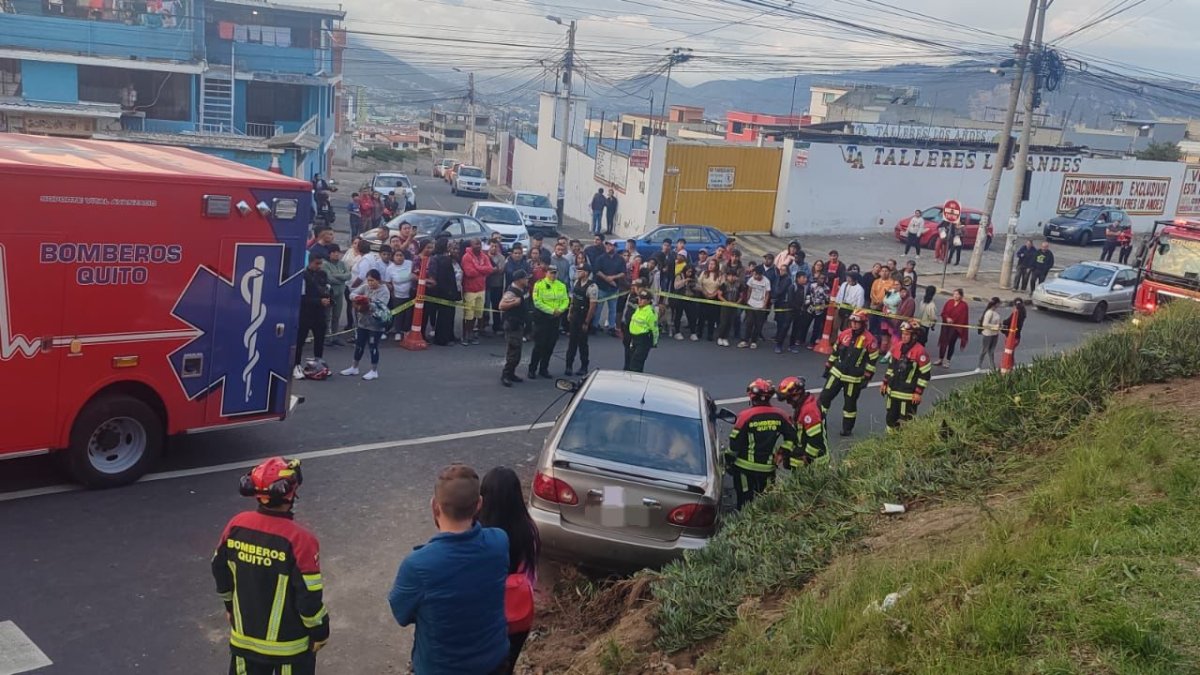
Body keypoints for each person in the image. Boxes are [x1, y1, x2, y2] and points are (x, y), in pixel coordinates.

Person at [388, 464, 510, 675]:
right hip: (495, 661)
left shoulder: (418, 566)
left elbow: (401, 614)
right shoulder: (499, 541)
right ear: (479, 504)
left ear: (435, 506)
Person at [212, 457, 329, 675]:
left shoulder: (236, 524)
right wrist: (320, 632)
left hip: (244, 642)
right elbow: (309, 598)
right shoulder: (300, 539)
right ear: (291, 492)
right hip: (290, 650)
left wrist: (229, 608)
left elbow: (220, 572)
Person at [479, 467, 540, 675]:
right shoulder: (528, 529)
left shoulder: (477, 531)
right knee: (507, 665)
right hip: (518, 615)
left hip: (486, 616)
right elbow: (531, 577)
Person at [726, 379, 797, 508]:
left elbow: (734, 445)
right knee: (766, 505)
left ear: (752, 397)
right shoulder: (780, 415)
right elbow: (793, 437)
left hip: (744, 470)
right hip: (767, 469)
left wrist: (727, 461)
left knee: (744, 504)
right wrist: (782, 452)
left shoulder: (745, 416)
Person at [819, 310, 880, 437]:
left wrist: (867, 377)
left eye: (857, 323)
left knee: (850, 404)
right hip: (836, 373)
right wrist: (828, 366)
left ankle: (847, 428)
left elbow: (872, 361)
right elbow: (835, 352)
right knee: (824, 398)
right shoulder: (844, 335)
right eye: (853, 322)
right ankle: (819, 422)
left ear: (863, 324)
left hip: (854, 378)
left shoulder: (870, 340)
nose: (854, 325)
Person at [880, 321, 932, 431]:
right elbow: (891, 367)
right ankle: (889, 443)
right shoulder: (897, 347)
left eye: (907, 334)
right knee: (890, 419)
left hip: (908, 395)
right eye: (903, 334)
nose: (903, 336)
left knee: (906, 422)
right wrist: (885, 382)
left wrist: (918, 392)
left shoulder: (920, 352)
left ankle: (903, 446)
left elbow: (925, 374)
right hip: (893, 391)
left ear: (914, 336)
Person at [343, 269, 390, 380]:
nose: (370, 283)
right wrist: (357, 298)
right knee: (359, 345)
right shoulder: (365, 287)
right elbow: (352, 294)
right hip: (363, 323)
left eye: (372, 281)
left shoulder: (384, 291)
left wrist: (367, 301)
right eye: (368, 280)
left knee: (373, 346)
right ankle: (354, 367)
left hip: (376, 325)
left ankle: (374, 371)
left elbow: (381, 305)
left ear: (378, 280)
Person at [776, 376, 826, 468]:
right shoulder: (803, 406)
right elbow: (798, 435)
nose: (788, 403)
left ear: (797, 394)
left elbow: (816, 441)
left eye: (789, 399)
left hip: (815, 466)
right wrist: (783, 452)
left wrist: (807, 459)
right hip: (808, 463)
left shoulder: (809, 411)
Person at [294, 256, 330, 380]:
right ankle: (296, 365)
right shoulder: (303, 276)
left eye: (321, 263)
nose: (319, 266)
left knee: (319, 340)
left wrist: (328, 299)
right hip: (306, 313)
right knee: (300, 341)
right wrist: (319, 301)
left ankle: (319, 364)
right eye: (317, 263)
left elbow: (326, 290)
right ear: (310, 262)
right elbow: (302, 298)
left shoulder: (323, 274)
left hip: (320, 313)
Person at [528, 266, 568, 379]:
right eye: (551, 273)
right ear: (546, 273)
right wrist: (551, 311)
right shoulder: (539, 284)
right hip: (542, 318)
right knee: (539, 345)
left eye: (555, 273)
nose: (553, 275)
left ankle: (544, 369)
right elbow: (537, 302)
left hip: (555, 319)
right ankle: (532, 369)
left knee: (550, 345)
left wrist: (560, 310)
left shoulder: (561, 285)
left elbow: (566, 300)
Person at [564, 265, 598, 376]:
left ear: (587, 273)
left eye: (581, 270)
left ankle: (584, 366)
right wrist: (570, 312)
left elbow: (592, 306)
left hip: (584, 316)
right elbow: (573, 298)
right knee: (572, 342)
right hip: (575, 315)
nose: (578, 272)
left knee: (583, 343)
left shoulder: (592, 287)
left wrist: (587, 322)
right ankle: (569, 366)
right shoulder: (576, 282)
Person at [461, 238, 496, 346]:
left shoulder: (484, 256)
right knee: (468, 315)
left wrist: (477, 268)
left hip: (481, 288)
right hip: (470, 290)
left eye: (480, 244)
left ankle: (472, 334)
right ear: (471, 245)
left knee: (478, 313)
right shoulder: (466, 257)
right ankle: (466, 335)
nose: (479, 246)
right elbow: (469, 272)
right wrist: (482, 269)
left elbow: (490, 269)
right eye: (476, 244)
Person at [499, 271, 530, 387]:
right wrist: (515, 303)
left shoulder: (522, 290)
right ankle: (506, 375)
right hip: (512, 325)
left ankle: (511, 373)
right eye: (525, 278)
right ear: (519, 280)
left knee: (517, 352)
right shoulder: (511, 292)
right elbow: (501, 306)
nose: (527, 280)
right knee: (513, 351)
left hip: (519, 324)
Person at [593, 240, 625, 335]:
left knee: (613, 309)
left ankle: (612, 327)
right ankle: (595, 325)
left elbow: (623, 273)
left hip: (614, 289)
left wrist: (613, 278)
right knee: (598, 308)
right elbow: (597, 271)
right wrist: (607, 279)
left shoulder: (620, 259)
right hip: (602, 287)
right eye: (607, 245)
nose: (608, 247)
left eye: (611, 245)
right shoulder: (600, 258)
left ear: (615, 247)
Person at [624, 289, 659, 373]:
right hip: (634, 338)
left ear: (648, 301)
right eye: (639, 298)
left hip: (643, 340)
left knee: (636, 363)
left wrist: (654, 342)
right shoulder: (639, 308)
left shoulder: (650, 312)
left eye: (642, 299)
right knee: (631, 360)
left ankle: (635, 381)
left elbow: (655, 329)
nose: (639, 300)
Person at [739, 265, 772, 349]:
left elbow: (767, 294)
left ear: (761, 274)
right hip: (751, 304)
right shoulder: (751, 279)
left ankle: (754, 341)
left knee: (758, 324)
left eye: (757, 275)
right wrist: (748, 300)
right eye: (754, 274)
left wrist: (764, 304)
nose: (755, 276)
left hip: (760, 305)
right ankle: (745, 340)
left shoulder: (766, 281)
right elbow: (749, 289)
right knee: (749, 323)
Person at [386, 248, 415, 341]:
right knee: (399, 314)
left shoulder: (409, 264)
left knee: (409, 314)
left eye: (401, 255)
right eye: (397, 255)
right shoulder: (390, 268)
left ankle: (406, 331)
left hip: (410, 294)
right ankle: (397, 332)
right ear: (393, 257)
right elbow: (388, 282)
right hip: (398, 295)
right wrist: (391, 292)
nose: (399, 257)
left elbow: (415, 275)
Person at [323, 245, 350, 345]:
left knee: (336, 316)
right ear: (329, 254)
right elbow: (329, 278)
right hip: (329, 294)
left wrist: (337, 276)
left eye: (337, 252)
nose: (336, 254)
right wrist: (341, 279)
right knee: (327, 316)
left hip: (340, 294)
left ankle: (335, 336)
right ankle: (326, 337)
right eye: (334, 252)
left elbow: (348, 275)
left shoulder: (342, 264)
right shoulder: (325, 264)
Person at [936, 288, 969, 368]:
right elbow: (943, 313)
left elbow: (963, 317)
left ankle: (948, 360)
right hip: (946, 326)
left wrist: (954, 321)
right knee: (943, 342)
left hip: (955, 328)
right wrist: (947, 318)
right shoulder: (949, 302)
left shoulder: (964, 305)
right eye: (954, 294)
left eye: (957, 294)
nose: (955, 296)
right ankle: (940, 358)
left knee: (951, 343)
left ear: (961, 296)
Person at [716, 268, 744, 347]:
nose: (731, 278)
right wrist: (726, 302)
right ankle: (720, 337)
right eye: (730, 276)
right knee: (723, 322)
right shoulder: (724, 284)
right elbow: (719, 295)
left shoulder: (739, 285)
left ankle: (725, 338)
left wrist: (736, 303)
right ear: (727, 276)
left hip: (734, 306)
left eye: (733, 276)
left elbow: (741, 296)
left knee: (730, 322)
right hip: (725, 306)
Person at [672, 265, 702, 341]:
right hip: (680, 298)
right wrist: (684, 281)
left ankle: (693, 333)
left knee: (692, 316)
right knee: (678, 315)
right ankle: (677, 332)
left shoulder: (694, 277)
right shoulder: (679, 276)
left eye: (691, 271)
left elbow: (700, 287)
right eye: (688, 271)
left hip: (691, 298)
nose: (690, 273)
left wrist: (693, 286)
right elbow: (676, 286)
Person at [698, 259, 722, 341]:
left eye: (713, 264)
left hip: (714, 298)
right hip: (703, 296)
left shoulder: (719, 275)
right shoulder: (704, 273)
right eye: (709, 264)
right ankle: (699, 333)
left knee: (712, 317)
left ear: (716, 265)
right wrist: (705, 293)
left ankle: (710, 334)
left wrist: (713, 294)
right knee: (701, 316)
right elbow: (699, 284)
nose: (711, 266)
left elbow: (721, 287)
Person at [977, 296, 1003, 372]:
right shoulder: (989, 313)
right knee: (984, 350)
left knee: (991, 351)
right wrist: (995, 326)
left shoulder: (995, 313)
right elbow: (985, 324)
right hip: (988, 334)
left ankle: (992, 366)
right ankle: (979, 366)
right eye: (999, 303)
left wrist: (999, 326)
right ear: (996, 304)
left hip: (995, 334)